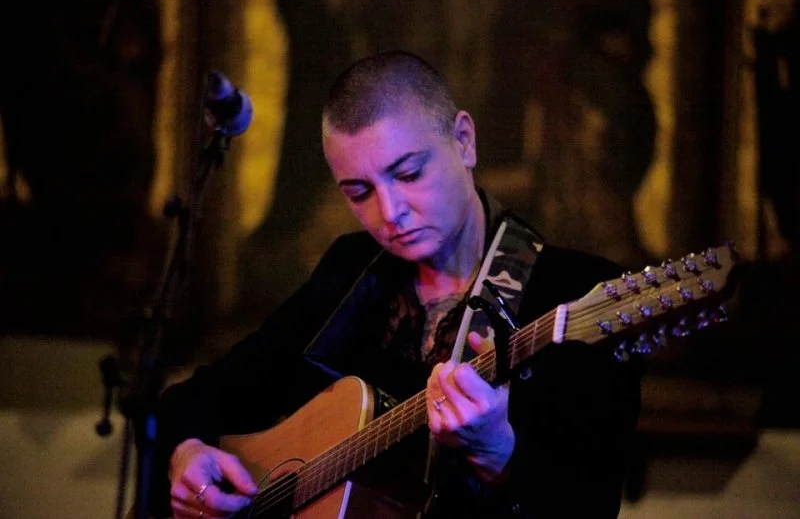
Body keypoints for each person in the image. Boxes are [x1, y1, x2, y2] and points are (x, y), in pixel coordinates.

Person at [149, 50, 642, 519]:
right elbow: (199, 397)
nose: (390, 213)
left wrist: (498, 452)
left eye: (408, 174)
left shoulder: (576, 293)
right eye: (359, 192)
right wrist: (186, 452)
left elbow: (590, 505)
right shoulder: (352, 271)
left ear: (464, 141)